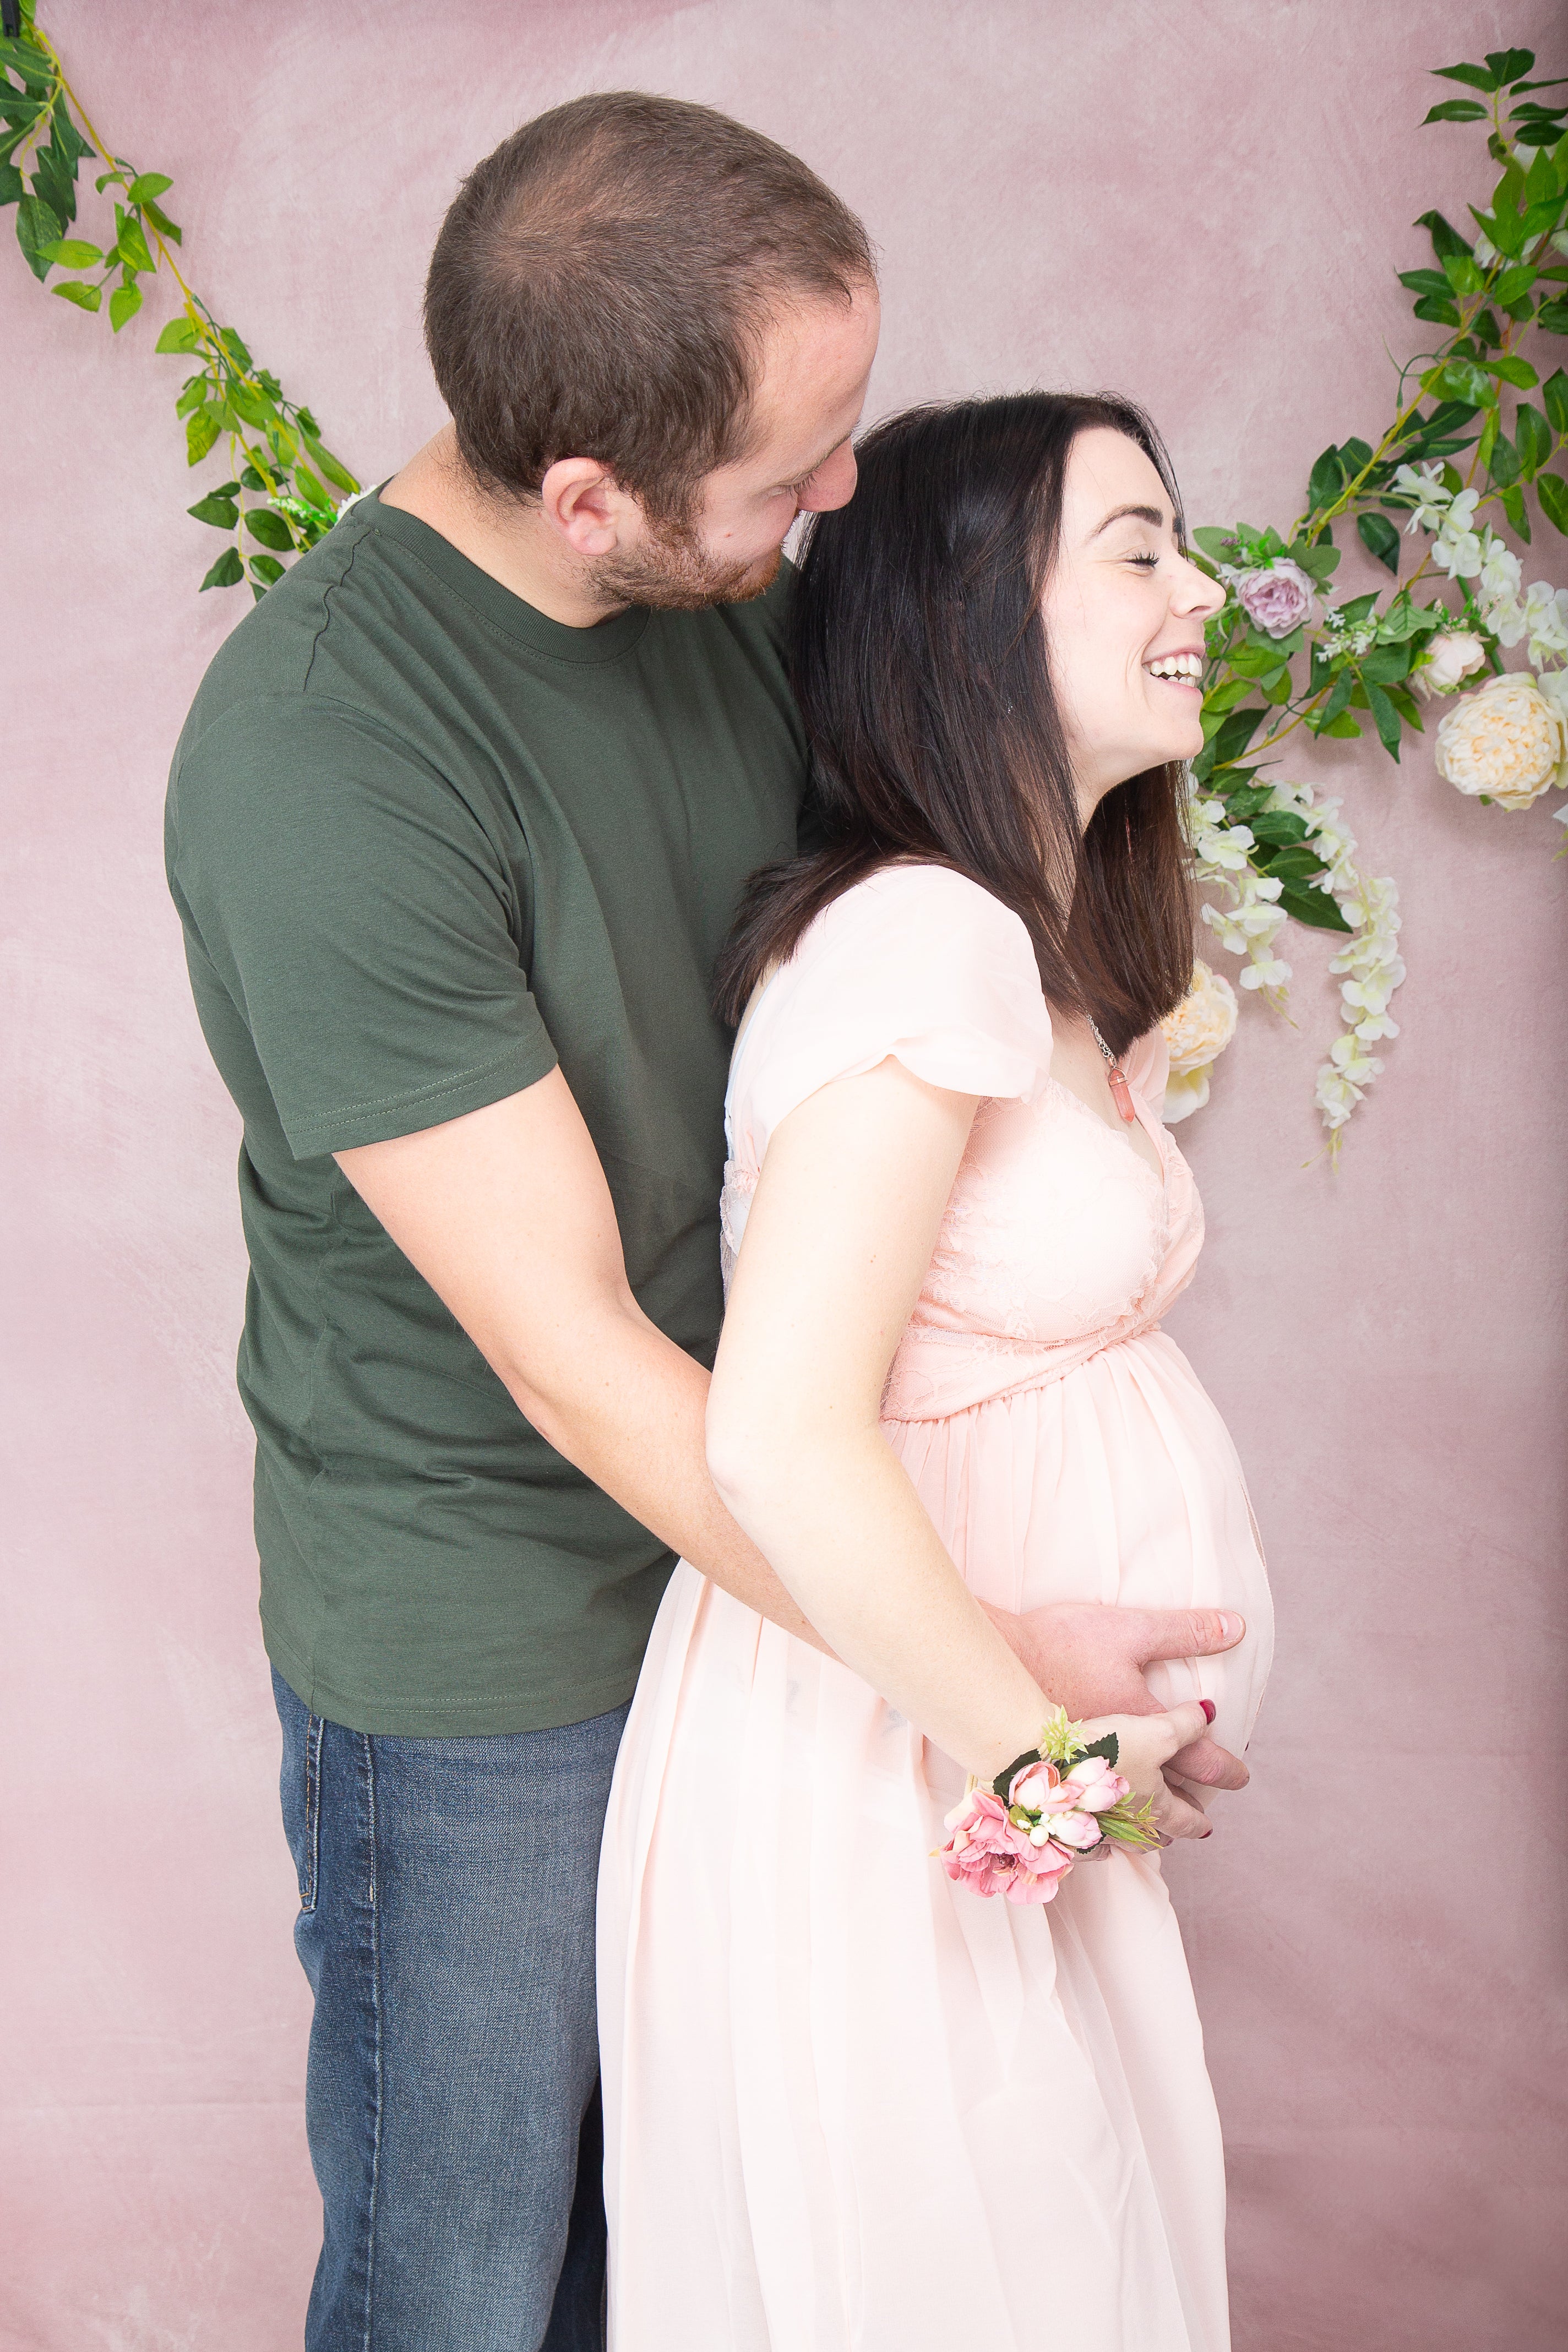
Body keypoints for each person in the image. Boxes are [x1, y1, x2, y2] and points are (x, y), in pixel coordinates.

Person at [166, 89, 1249, 2352]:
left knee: (701, 2264)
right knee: (479, 2281)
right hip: (497, 1626)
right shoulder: (327, 762)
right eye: (794, 466)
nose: (839, 498)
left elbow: (939, 797)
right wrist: (987, 1680)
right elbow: (576, 1354)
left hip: (779, 1583)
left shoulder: (731, 582)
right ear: (593, 497)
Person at [598, 393, 1274, 2350]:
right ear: (969, 614)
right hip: (897, 1771)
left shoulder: (1035, 948)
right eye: (1138, 551)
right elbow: (784, 1434)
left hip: (994, 1777)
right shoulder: (917, 940)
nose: (1200, 593)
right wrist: (1040, 1763)